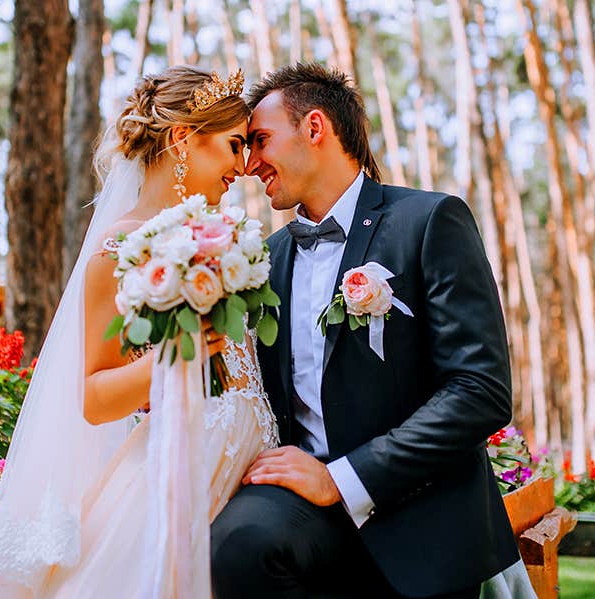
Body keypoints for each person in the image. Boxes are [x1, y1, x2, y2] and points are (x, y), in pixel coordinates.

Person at [209, 62, 536, 599]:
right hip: (301, 510)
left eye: (260, 140)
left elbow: (480, 393)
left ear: (315, 128)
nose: (249, 164)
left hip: (420, 508)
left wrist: (341, 478)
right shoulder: (264, 260)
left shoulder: (430, 221)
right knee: (235, 545)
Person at [0, 65, 278, 598]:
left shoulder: (225, 242)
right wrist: (170, 360)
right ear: (183, 138)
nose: (244, 166)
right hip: (176, 473)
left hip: (242, 474)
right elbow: (94, 397)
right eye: (233, 145)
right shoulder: (119, 250)